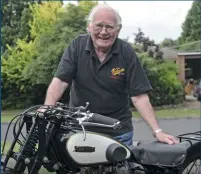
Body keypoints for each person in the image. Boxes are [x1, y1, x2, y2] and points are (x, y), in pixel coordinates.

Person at [42, 4, 178, 146]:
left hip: (118, 133)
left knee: (121, 169)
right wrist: (47, 109)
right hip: (81, 130)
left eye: (109, 27)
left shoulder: (126, 52)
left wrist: (158, 131)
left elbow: (139, 96)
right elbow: (60, 81)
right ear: (89, 27)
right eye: (99, 26)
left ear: (118, 30)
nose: (104, 31)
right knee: (78, 168)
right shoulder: (77, 46)